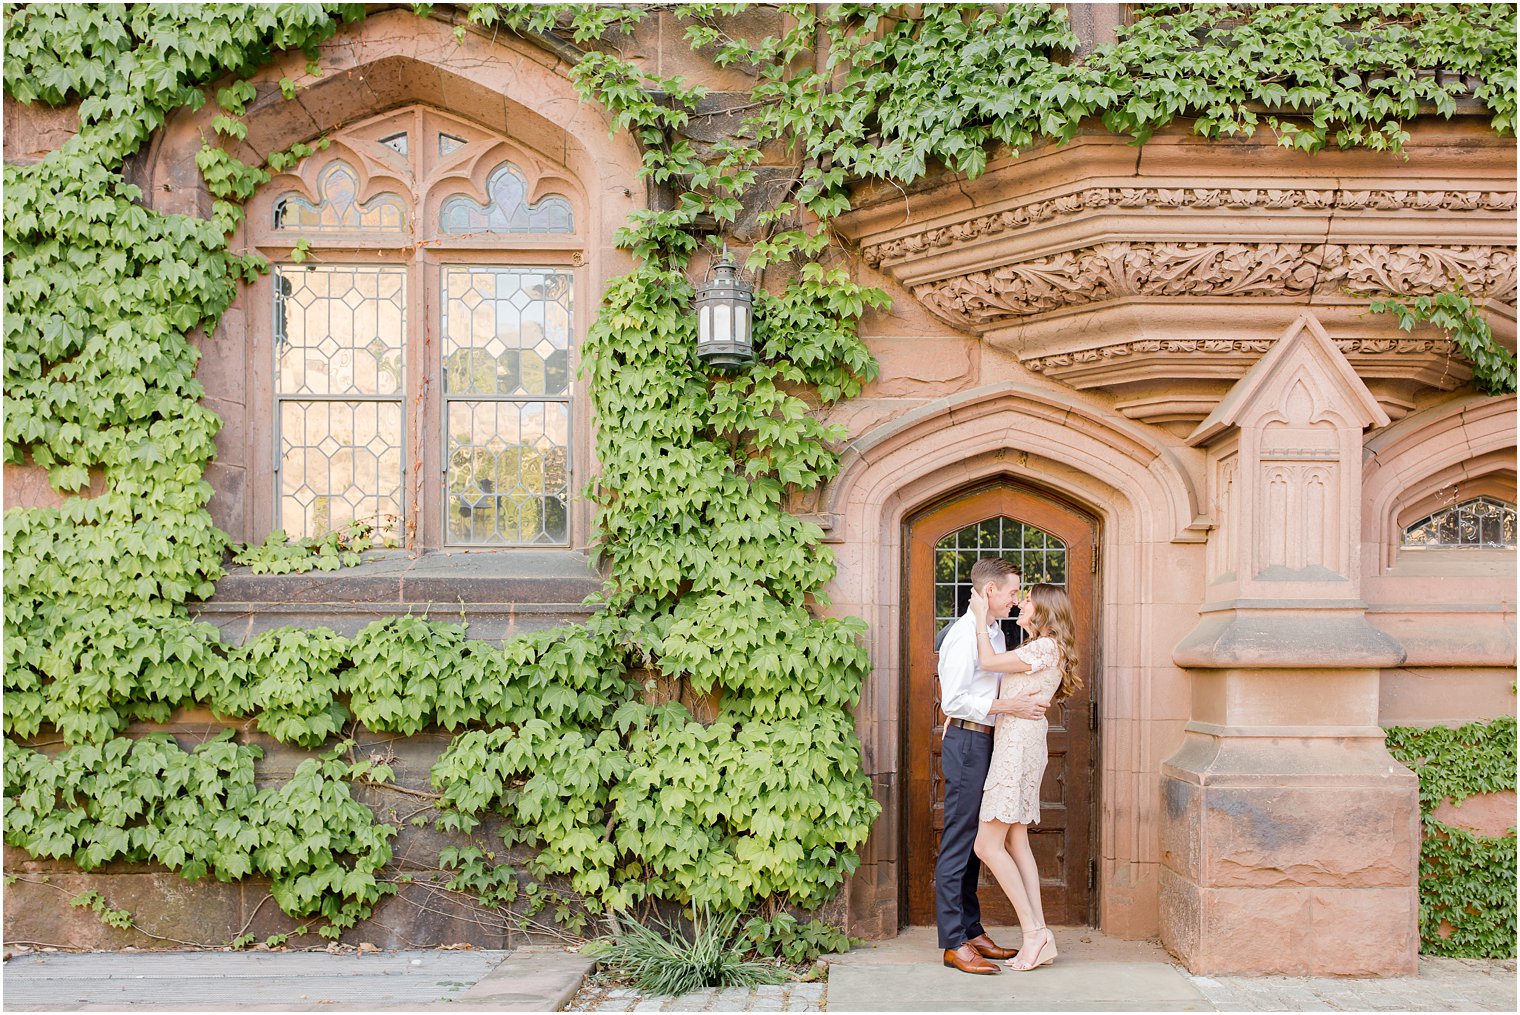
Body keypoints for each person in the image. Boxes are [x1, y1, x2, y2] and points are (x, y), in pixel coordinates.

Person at [935, 557, 1050, 975]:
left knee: (975, 842)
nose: (1017, 599)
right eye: (1013, 591)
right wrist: (1011, 705)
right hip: (967, 740)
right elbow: (953, 701)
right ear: (990, 592)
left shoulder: (998, 633)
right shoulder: (964, 636)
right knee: (960, 840)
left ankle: (971, 929)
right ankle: (953, 943)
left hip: (990, 743)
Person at [966, 582, 1082, 971]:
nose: (1021, 604)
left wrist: (981, 620)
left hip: (1017, 748)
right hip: (1018, 743)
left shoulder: (1045, 647)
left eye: (1028, 600)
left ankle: (1034, 933)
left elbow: (987, 663)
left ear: (1045, 610)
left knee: (987, 845)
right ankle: (1040, 932)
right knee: (1016, 840)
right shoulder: (1042, 647)